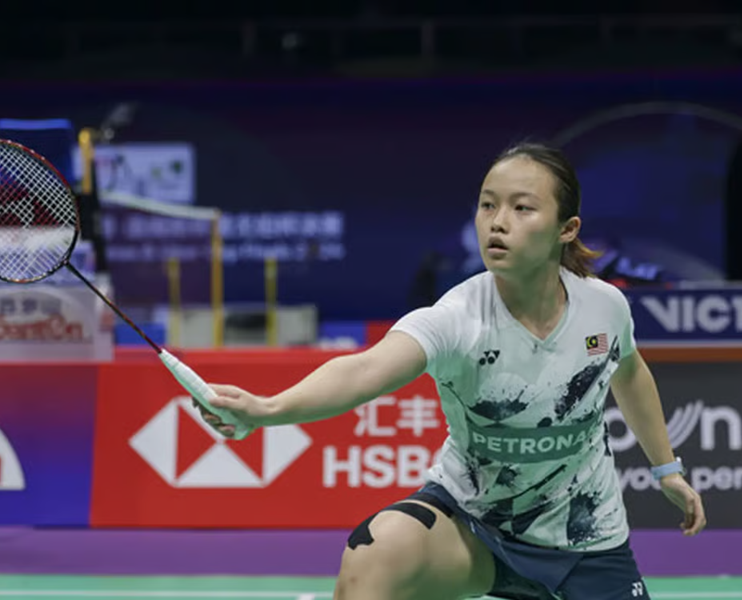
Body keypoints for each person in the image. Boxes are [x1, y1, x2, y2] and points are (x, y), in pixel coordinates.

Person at [195, 141, 707, 600]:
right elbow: (365, 369)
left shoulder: (604, 307)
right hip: (472, 528)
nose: (497, 222)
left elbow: (629, 372)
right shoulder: (457, 319)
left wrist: (667, 471)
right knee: (375, 549)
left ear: (566, 229)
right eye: (488, 205)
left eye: (522, 208)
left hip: (586, 541)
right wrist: (269, 408)